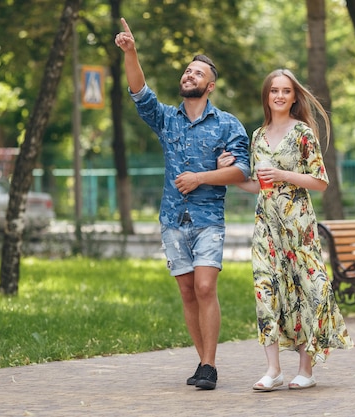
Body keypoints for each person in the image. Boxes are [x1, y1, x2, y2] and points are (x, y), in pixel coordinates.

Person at [114, 18, 251, 390]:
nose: (190, 75)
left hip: (208, 219)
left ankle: (209, 364)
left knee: (206, 287)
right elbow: (140, 92)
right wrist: (131, 52)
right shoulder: (166, 119)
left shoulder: (227, 125)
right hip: (173, 219)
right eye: (188, 70)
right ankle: (201, 361)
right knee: (188, 291)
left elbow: (242, 172)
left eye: (198, 72)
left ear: (210, 85)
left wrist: (201, 177)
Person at [218, 69, 354, 391]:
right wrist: (232, 174)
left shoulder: (303, 133)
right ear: (267, 96)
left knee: (310, 290)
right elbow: (256, 185)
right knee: (266, 292)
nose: (279, 95)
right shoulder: (257, 136)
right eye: (274, 90)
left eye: (286, 91)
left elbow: (320, 182)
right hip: (267, 226)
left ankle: (305, 370)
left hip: (299, 227)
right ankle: (273, 370)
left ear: (294, 97)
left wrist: (282, 173)